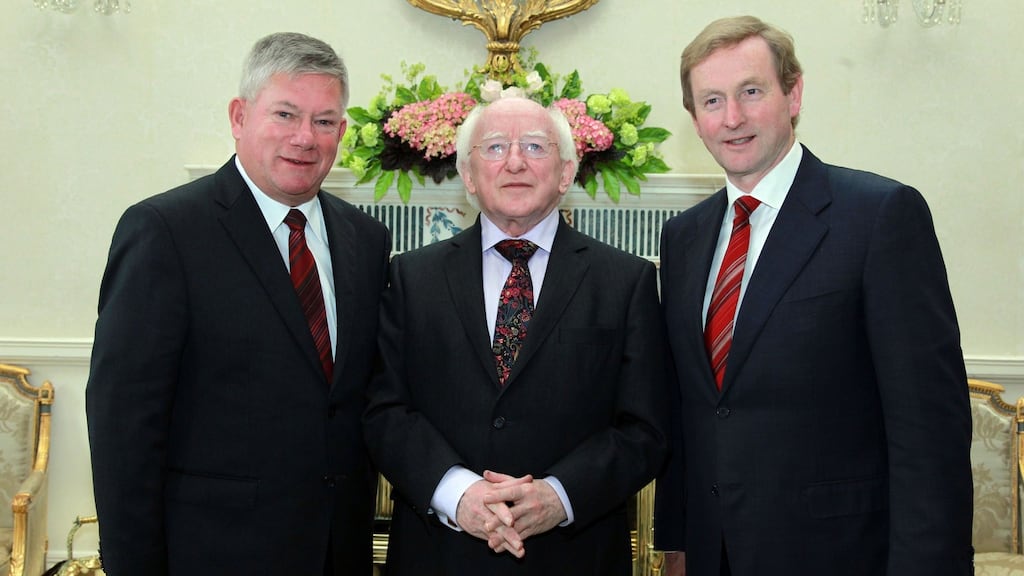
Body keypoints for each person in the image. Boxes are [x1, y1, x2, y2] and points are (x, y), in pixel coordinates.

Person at [653, 15, 973, 576]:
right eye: (711, 101)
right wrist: (677, 542)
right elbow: (694, 411)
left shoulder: (879, 217)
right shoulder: (683, 238)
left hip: (841, 554)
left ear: (793, 93)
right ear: (694, 119)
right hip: (713, 555)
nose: (732, 118)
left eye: (751, 92)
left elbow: (930, 429)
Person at [85, 32, 390, 575]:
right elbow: (124, 423)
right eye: (285, 114)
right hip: (210, 554)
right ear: (239, 115)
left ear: (342, 132)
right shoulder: (165, 231)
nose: (304, 138)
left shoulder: (365, 240)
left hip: (336, 553)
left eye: (324, 121)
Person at [363, 96, 669, 574]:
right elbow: (385, 411)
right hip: (439, 554)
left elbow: (645, 428)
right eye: (495, 147)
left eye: (534, 146)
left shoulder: (625, 281)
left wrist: (560, 495)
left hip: (575, 555)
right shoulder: (411, 277)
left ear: (566, 172)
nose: (515, 162)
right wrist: (459, 494)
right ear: (468, 175)